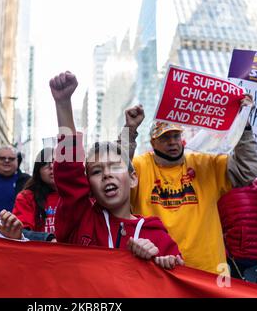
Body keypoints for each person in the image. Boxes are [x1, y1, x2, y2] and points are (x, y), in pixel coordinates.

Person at [50, 71, 183, 269]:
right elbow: (69, 172)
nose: (106, 174)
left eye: (114, 166)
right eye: (96, 171)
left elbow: (179, 280)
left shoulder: (157, 236)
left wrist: (164, 264)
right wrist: (63, 103)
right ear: (89, 186)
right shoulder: (80, 219)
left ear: (133, 178)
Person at [128, 96, 257, 274]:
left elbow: (249, 170)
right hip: (158, 270)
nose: (172, 142)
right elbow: (117, 170)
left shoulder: (203, 163)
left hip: (208, 272)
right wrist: (129, 131)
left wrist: (243, 126)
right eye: (165, 138)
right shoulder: (141, 166)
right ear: (153, 143)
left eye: (176, 135)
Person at [13, 148, 58, 242]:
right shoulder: (26, 197)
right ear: (38, 171)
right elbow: (21, 232)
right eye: (45, 163)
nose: (51, 166)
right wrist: (48, 238)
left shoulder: (72, 195)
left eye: (56, 162)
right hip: (39, 252)